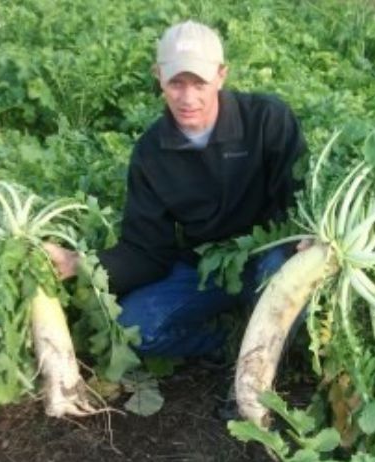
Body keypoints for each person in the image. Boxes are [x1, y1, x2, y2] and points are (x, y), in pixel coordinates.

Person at [46, 20, 306, 360]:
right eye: (176, 83)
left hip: (274, 254)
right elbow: (145, 252)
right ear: (159, 77)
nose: (188, 98)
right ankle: (231, 342)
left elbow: (298, 199)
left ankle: (271, 354)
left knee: (283, 274)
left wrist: (306, 235)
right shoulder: (151, 154)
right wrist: (79, 263)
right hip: (209, 266)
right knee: (135, 325)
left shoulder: (267, 119)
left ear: (221, 75)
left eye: (199, 82)